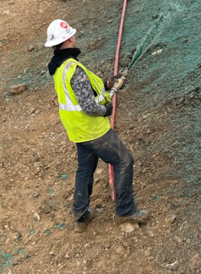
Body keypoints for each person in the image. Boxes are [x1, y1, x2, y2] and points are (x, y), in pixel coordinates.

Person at [45, 19, 148, 230]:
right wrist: (107, 110)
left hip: (77, 130)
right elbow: (89, 106)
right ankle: (125, 210)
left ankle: (80, 213)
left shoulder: (60, 67)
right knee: (124, 161)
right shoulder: (74, 68)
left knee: (85, 169)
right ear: (69, 38)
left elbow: (83, 89)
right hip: (93, 130)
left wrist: (107, 84)